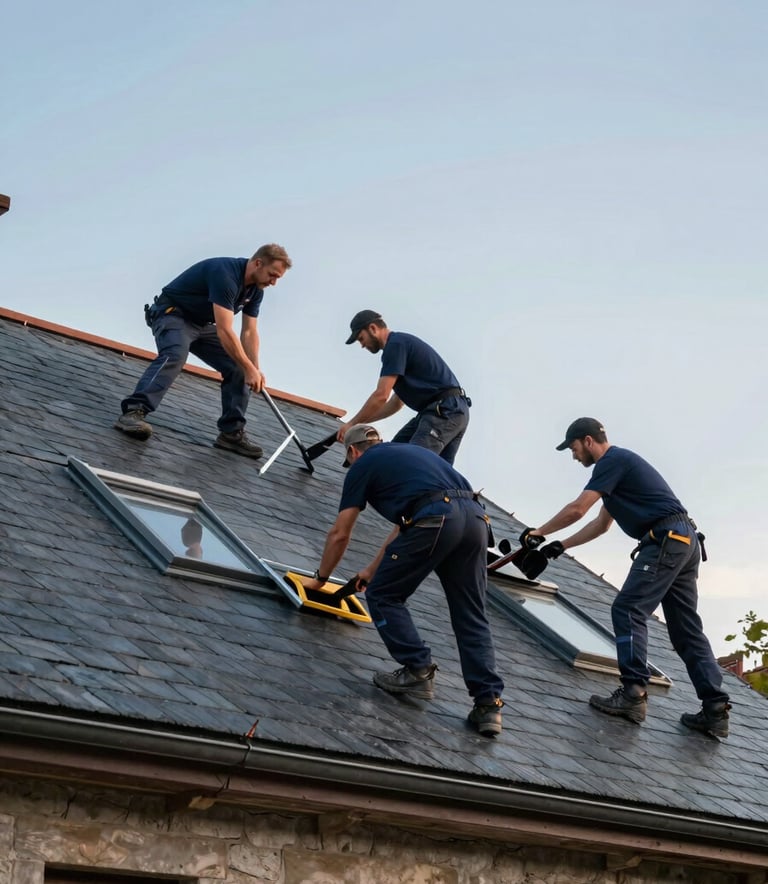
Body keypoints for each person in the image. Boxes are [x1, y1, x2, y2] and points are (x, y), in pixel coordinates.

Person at [519, 417, 731, 738]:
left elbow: (579, 509)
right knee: (685, 628)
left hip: (665, 540)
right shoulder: (619, 471)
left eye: (574, 449)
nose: (574, 457)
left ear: (588, 441)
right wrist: (559, 545)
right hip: (683, 542)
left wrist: (538, 532)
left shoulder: (612, 461)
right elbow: (601, 525)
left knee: (628, 609)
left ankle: (633, 694)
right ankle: (715, 709)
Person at [305, 423, 505, 737]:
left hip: (437, 518)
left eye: (351, 459)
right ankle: (488, 705)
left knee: (384, 596)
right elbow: (409, 521)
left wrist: (320, 579)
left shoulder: (362, 466)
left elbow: (340, 533)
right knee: (471, 614)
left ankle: (418, 669)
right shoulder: (411, 454)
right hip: (475, 520)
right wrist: (372, 569)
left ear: (353, 452)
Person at [114, 244, 292, 457]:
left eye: (278, 279)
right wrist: (249, 367)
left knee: (238, 368)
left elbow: (249, 332)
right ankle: (134, 412)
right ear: (258, 263)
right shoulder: (225, 274)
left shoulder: (256, 290)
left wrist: (253, 368)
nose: (273, 282)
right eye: (272, 275)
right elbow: (225, 330)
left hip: (202, 324)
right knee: (175, 354)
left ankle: (231, 433)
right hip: (172, 314)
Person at [338, 310, 470, 465]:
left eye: (361, 338)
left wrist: (352, 423)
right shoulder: (400, 346)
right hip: (447, 411)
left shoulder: (395, 345)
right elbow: (395, 403)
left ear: (373, 328)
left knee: (410, 463)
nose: (362, 345)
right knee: (398, 456)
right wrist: (361, 422)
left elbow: (381, 395)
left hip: (444, 410)